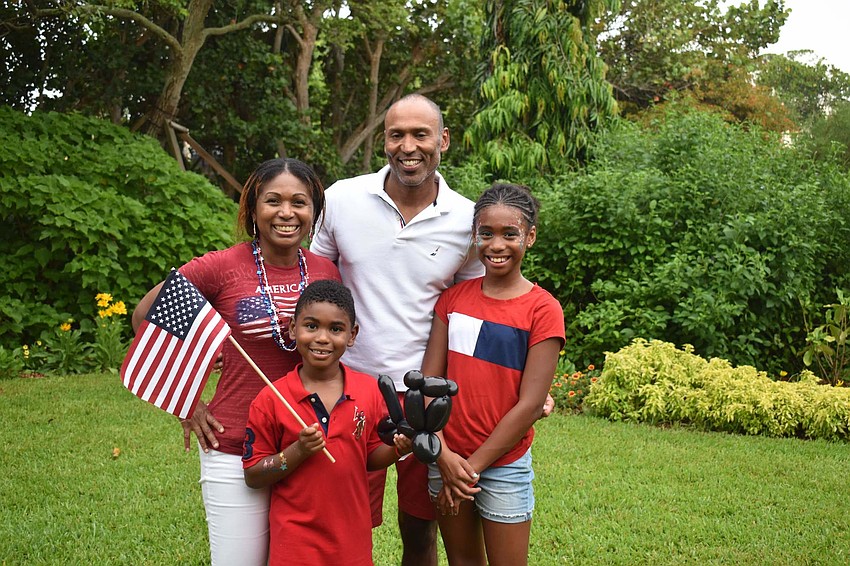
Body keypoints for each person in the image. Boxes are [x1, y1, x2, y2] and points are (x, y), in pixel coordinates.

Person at [131, 158, 340, 566]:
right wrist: (186, 403)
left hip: (309, 443)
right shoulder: (221, 267)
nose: (286, 212)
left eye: (299, 202)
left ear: (313, 211)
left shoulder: (325, 272)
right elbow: (144, 317)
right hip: (234, 444)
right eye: (272, 200)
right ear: (253, 208)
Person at [309, 94, 484, 565]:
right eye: (396, 134)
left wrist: (521, 384)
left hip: (423, 400)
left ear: (443, 140)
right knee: (339, 530)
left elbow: (471, 315)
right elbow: (315, 287)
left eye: (420, 134)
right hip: (344, 392)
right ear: (383, 140)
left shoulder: (467, 221)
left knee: (419, 532)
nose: (408, 146)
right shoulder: (342, 199)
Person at [421, 183, 565, 566]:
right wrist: (444, 455)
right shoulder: (452, 300)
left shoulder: (543, 309)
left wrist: (471, 468)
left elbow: (531, 403)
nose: (496, 244)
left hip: (504, 465)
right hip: (446, 457)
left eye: (509, 234)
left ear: (529, 237)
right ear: (474, 236)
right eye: (486, 234)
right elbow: (428, 385)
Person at [242, 279, 413, 565]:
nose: (322, 338)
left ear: (352, 334)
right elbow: (254, 474)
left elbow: (368, 457)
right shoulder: (271, 399)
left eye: (335, 329)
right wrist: (297, 451)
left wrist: (399, 448)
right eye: (311, 326)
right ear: (293, 329)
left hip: (351, 539)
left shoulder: (368, 390)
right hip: (295, 542)